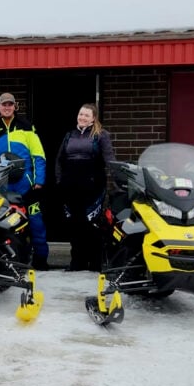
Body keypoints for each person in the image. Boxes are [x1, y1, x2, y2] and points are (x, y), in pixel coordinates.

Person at [0, 92, 49, 269]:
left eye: (10, 104)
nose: (7, 107)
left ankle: (41, 260)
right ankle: (4, 260)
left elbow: (38, 155)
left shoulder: (26, 126)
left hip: (26, 186)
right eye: (4, 104)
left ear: (15, 106)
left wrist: (38, 180)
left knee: (35, 221)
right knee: (3, 223)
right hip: (0, 187)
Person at [55, 104, 115, 271]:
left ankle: (96, 263)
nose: (82, 117)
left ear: (93, 118)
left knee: (92, 224)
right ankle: (77, 263)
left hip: (93, 187)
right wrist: (60, 180)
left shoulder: (101, 135)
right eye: (80, 114)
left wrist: (118, 179)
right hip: (70, 187)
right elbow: (59, 160)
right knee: (74, 225)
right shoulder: (69, 135)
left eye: (86, 115)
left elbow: (110, 159)